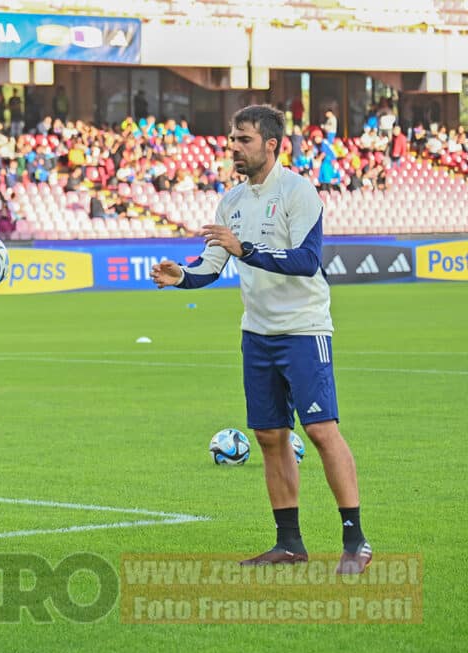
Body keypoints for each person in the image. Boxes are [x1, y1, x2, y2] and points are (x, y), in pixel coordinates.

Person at [149, 105, 372, 575]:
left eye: (244, 139)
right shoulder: (230, 201)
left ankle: (355, 541)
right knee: (271, 436)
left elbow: (306, 261)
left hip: (304, 329)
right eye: (232, 139)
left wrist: (245, 249)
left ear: (271, 144)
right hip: (258, 333)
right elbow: (211, 266)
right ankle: (289, 544)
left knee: (320, 431)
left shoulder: (298, 191)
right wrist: (181, 276)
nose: (234, 147)